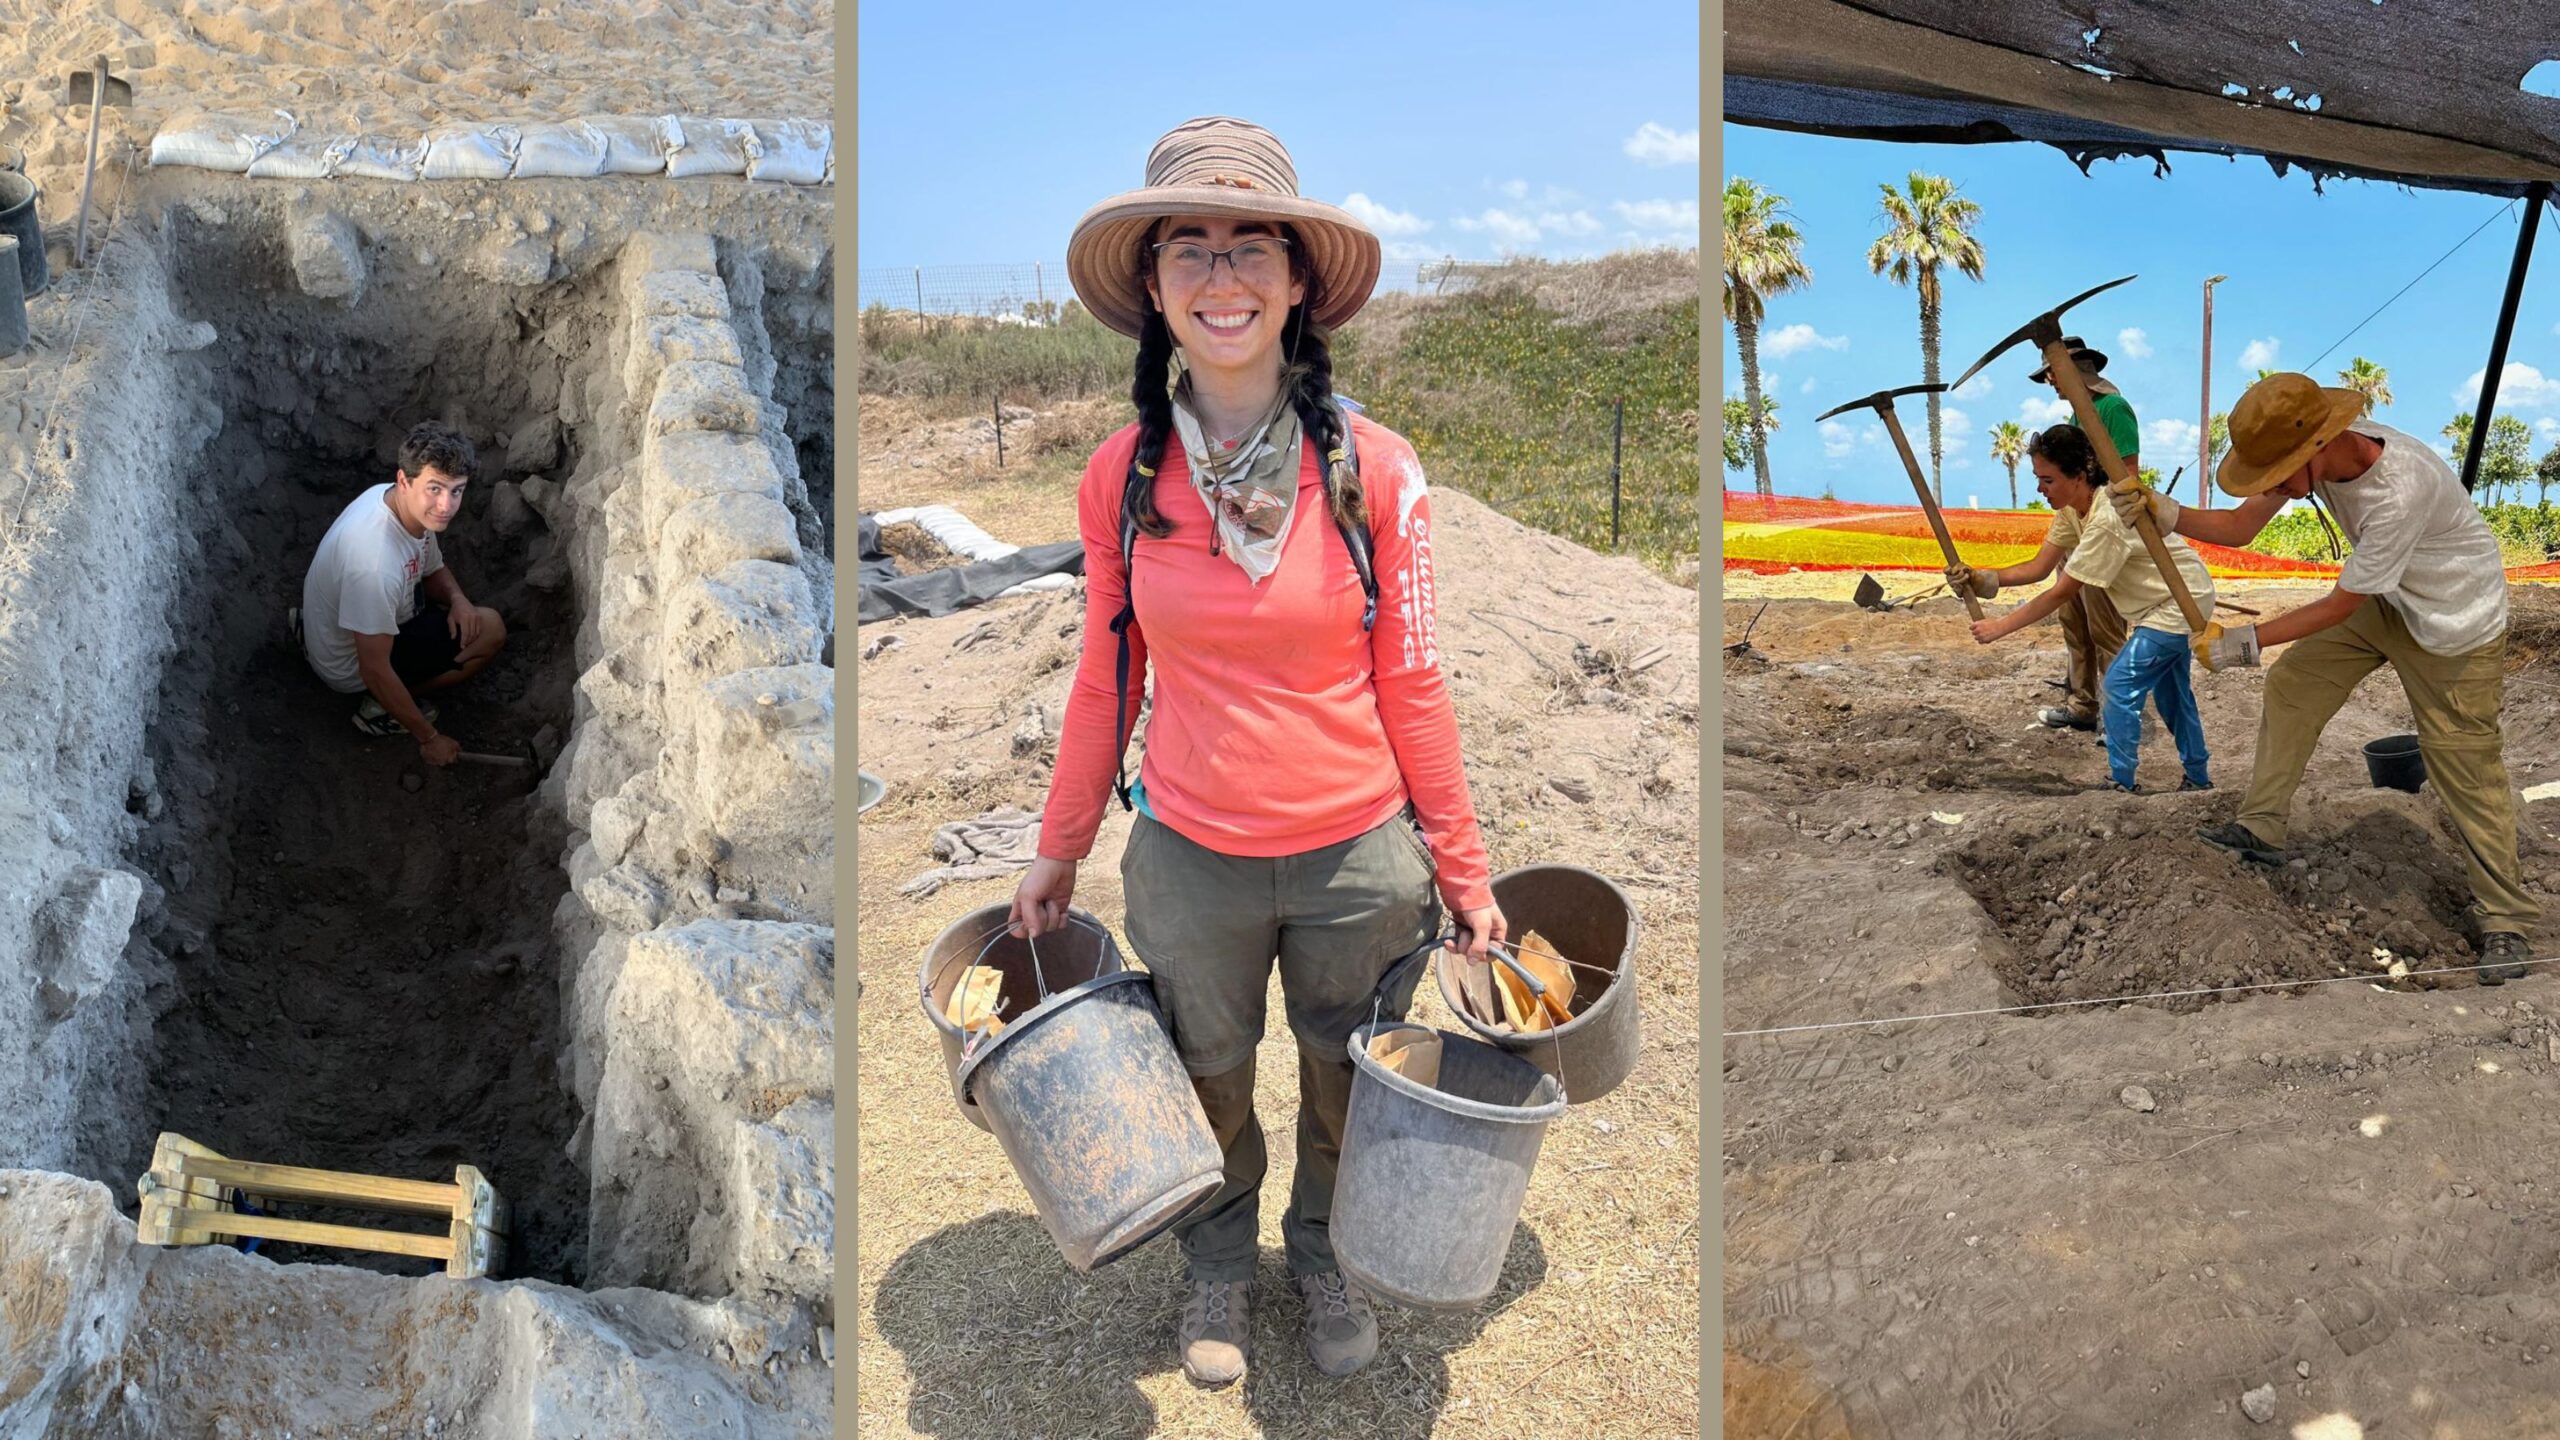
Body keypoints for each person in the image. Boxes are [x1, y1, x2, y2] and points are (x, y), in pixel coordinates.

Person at [1011, 117, 1503, 1387]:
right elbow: (1106, 673)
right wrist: (1060, 844)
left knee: (1350, 1072)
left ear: (1296, 284)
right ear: (1153, 289)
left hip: (1355, 853)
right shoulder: (1122, 473)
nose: (1221, 278)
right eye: (1190, 249)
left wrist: (1463, 869)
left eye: (1250, 249)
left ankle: (1324, 1250)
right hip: (1189, 856)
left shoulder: (1376, 473)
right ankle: (1218, 1262)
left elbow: (1414, 679)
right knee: (1206, 1075)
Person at [2113, 371, 2536, 983]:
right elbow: (2239, 528)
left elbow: (2338, 604)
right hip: (2387, 601)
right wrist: (2164, 510)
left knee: (2464, 765)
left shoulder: (2399, 489)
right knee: (2296, 684)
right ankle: (2261, 827)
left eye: (2278, 475)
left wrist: (2244, 642)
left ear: (2316, 447)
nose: (2274, 489)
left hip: (2454, 623)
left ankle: (2506, 920)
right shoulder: (2317, 455)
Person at [1962, 424, 2214, 793]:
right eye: (2037, 478)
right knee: (2172, 694)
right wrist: (1983, 580)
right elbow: (2039, 568)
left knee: (2119, 684)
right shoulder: (2072, 511)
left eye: (2047, 480)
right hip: (2159, 604)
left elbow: (2061, 592)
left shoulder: (2107, 518)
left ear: (2078, 476)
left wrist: (1999, 628)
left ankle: (2121, 781)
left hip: (2179, 603)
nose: (2039, 489)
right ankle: (2198, 777)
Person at [296, 420, 507, 767]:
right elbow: (374, 668)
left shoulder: (400, 505)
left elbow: (430, 567)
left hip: (336, 629)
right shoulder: (376, 563)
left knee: (467, 615)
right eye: (435, 489)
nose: (447, 505)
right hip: (350, 667)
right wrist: (429, 737)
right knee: (491, 630)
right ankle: (378, 709)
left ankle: (313, 637)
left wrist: (458, 599)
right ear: (404, 480)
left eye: (457, 490)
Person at [1999, 336, 2142, 732]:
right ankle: (2082, 704)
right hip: (2077, 528)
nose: (2051, 383)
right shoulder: (2079, 418)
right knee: (2073, 623)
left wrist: (2097, 527)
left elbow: (2129, 478)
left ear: (2076, 369)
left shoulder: (2113, 409)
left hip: (2103, 534)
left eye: (2053, 373)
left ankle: (2119, 717)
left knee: (2105, 629)